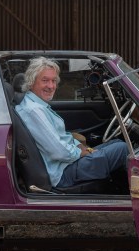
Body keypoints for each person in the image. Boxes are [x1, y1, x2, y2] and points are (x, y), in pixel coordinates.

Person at [15, 57, 128, 189]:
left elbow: (58, 139)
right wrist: (80, 153)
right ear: (31, 81)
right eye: (45, 80)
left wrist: (78, 145)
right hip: (63, 172)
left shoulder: (36, 104)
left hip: (66, 163)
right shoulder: (34, 110)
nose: (51, 86)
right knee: (122, 149)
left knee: (117, 143)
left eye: (54, 81)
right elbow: (58, 151)